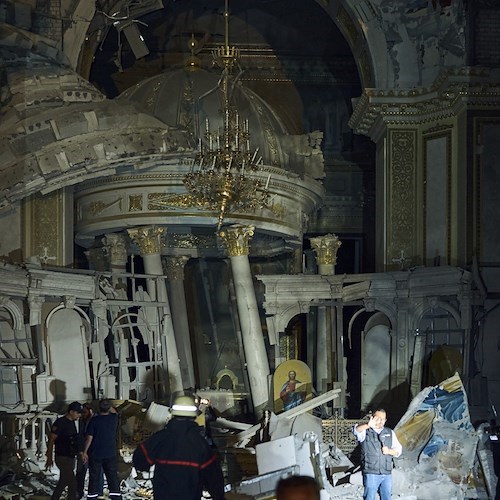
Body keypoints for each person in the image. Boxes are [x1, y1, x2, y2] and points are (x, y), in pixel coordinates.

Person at [132, 394, 225, 500]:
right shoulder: (200, 445)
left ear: (173, 414)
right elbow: (214, 479)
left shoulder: (161, 439)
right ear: (194, 416)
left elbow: (139, 461)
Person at [353, 408, 402, 500]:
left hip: (386, 473)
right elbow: (356, 430)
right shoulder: (365, 432)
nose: (380, 421)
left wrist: (389, 451)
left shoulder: (390, 432)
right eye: (377, 418)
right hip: (371, 473)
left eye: (383, 419)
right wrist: (368, 425)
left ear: (385, 420)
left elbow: (398, 451)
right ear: (372, 418)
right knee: (369, 497)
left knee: (387, 497)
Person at [82, 398, 122, 500]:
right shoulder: (114, 419)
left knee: (94, 478)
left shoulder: (94, 421)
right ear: (109, 408)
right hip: (110, 453)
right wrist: (108, 405)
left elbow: (89, 438)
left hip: (96, 454)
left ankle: (92, 497)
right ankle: (116, 497)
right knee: (112, 477)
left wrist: (85, 452)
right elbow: (114, 411)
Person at [45, 401, 83, 500]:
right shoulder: (61, 422)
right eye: (77, 413)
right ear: (71, 412)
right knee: (72, 482)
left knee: (63, 481)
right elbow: (51, 439)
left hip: (70, 457)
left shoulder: (72, 423)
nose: (79, 415)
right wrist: (49, 457)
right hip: (62, 457)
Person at [76, 403, 103, 499]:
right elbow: (81, 435)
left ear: (90, 411)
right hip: (85, 449)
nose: (83, 414)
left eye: (84, 412)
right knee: (81, 471)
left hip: (95, 450)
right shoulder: (82, 420)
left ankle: (98, 493)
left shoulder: (97, 420)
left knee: (97, 472)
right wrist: (81, 451)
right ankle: (79, 492)